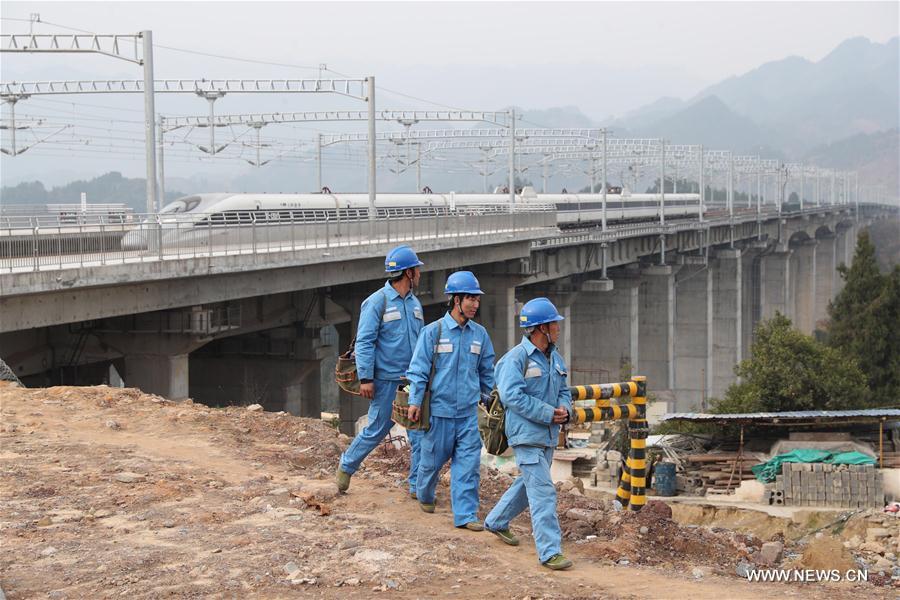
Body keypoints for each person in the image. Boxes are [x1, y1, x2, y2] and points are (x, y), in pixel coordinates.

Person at [483, 297, 574, 571]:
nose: (558, 327)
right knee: (544, 492)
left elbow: (564, 391)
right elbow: (512, 396)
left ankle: (496, 521)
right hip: (525, 436)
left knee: (528, 485)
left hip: (546, 436)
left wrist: (565, 410)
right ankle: (549, 552)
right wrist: (548, 413)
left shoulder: (555, 358)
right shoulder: (515, 359)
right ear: (540, 328)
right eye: (554, 323)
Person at [406, 271, 495, 530]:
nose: (475, 304)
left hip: (468, 414)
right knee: (431, 463)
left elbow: (486, 372)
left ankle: (465, 515)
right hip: (438, 413)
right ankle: (423, 492)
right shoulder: (433, 332)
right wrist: (414, 401)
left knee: (468, 467)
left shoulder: (480, 335)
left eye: (477, 299)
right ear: (455, 300)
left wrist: (490, 401)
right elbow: (418, 370)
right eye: (470, 299)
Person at [336, 245, 425, 495]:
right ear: (408, 273)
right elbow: (364, 341)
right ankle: (346, 465)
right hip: (386, 381)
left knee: (418, 435)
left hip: (412, 382)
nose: (419, 273)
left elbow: (422, 343)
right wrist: (365, 378)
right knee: (377, 429)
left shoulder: (415, 304)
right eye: (416, 269)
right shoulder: (377, 301)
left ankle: (417, 486)